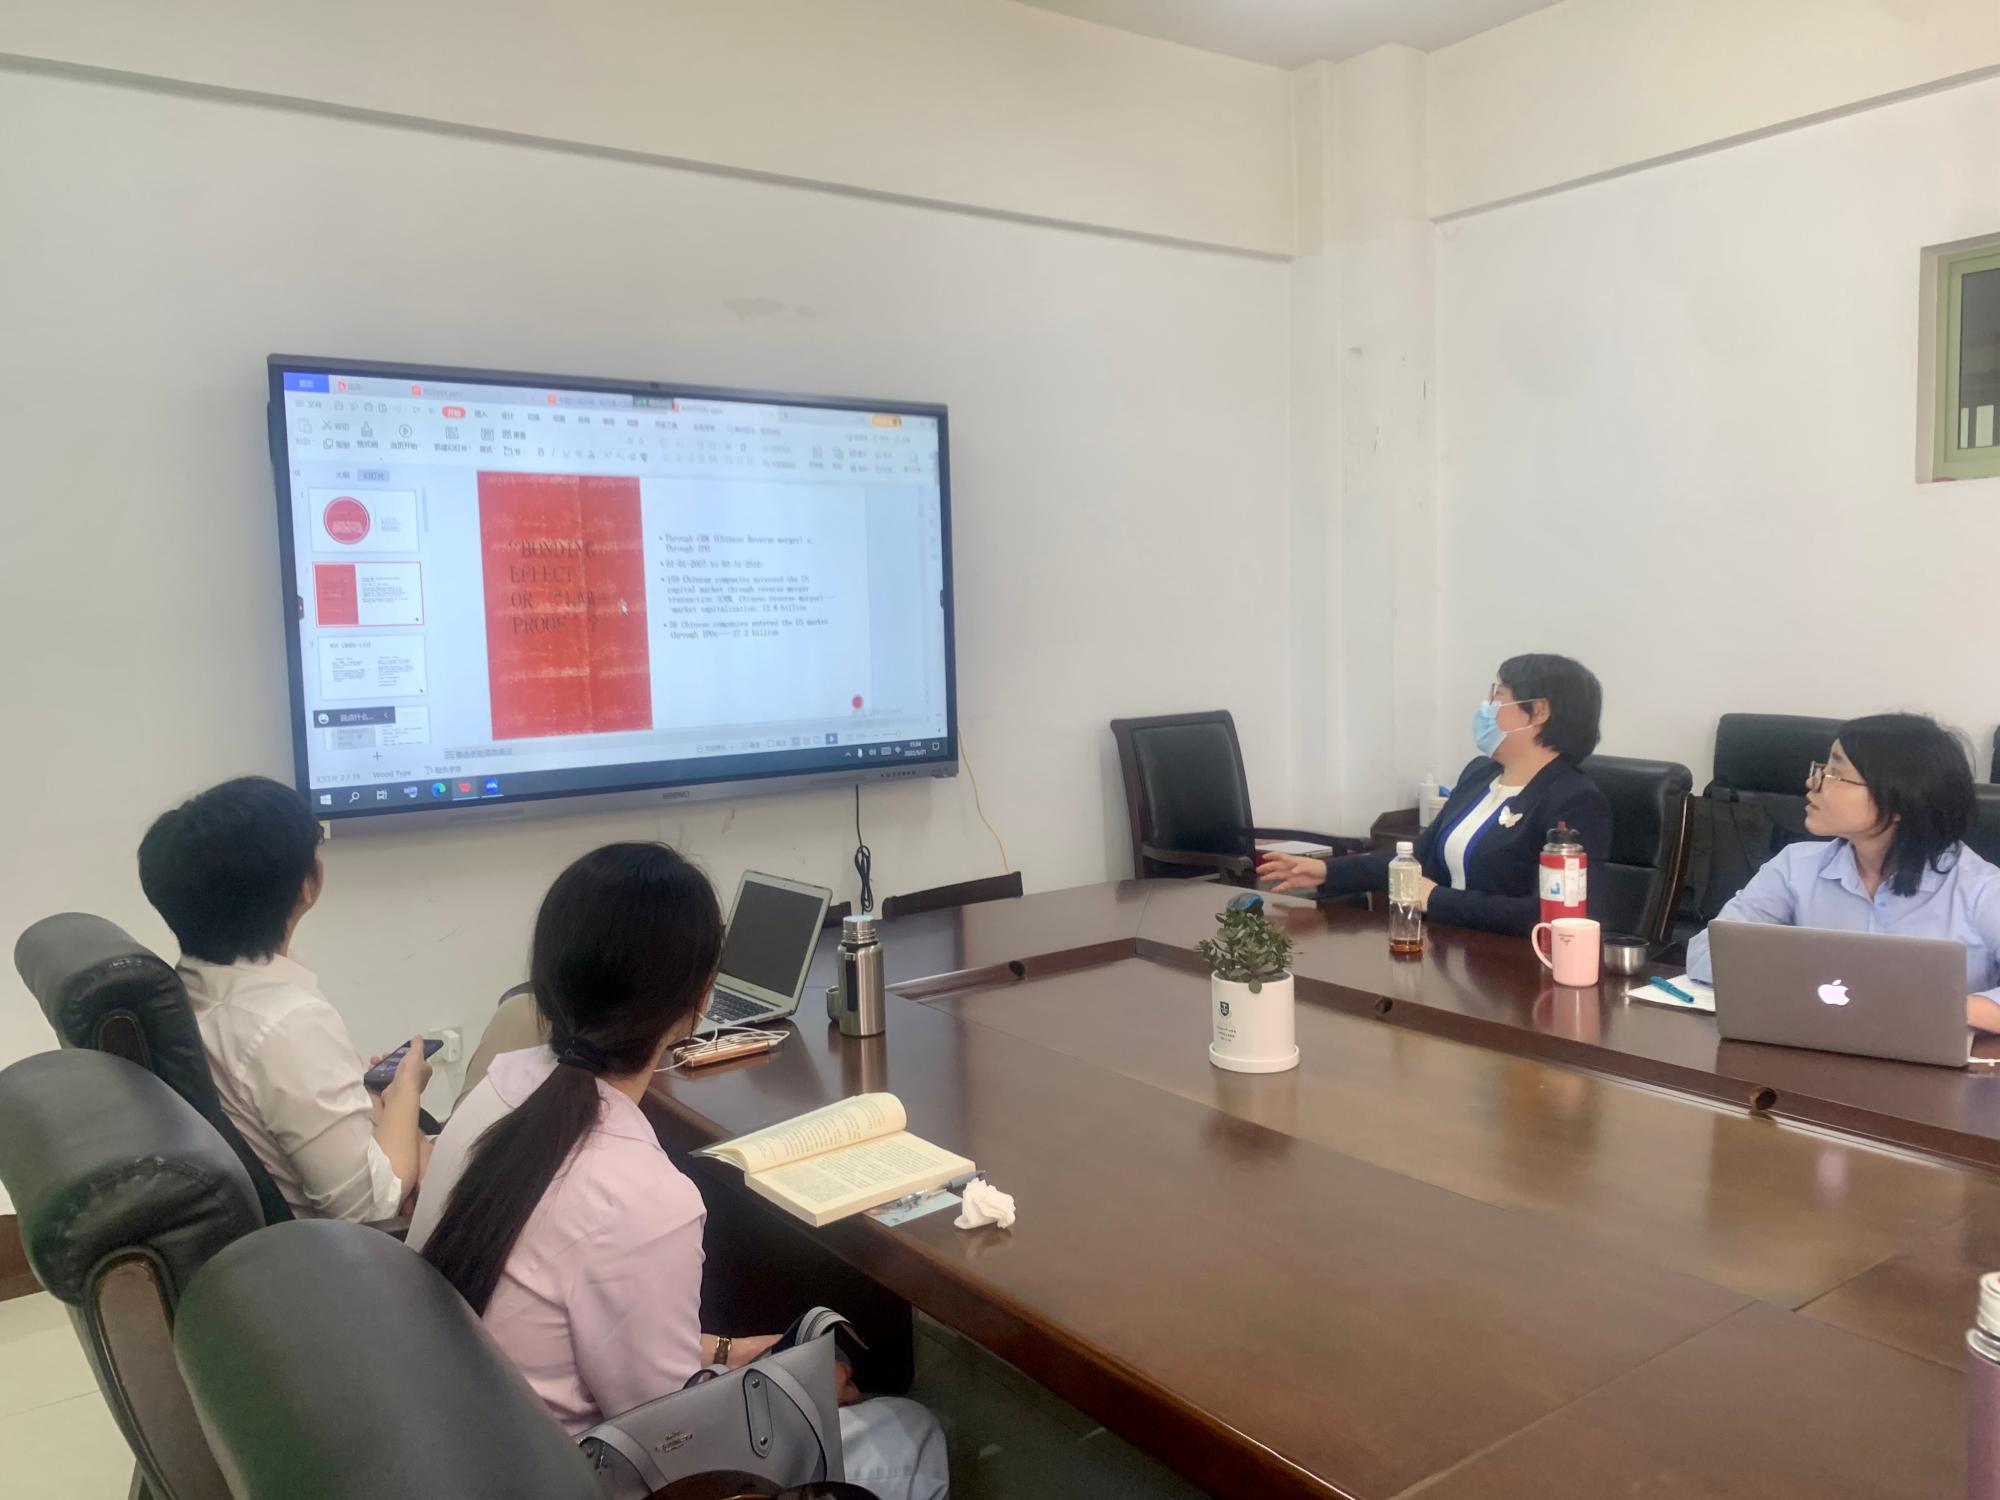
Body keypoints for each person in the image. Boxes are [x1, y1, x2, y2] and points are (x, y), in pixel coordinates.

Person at [409, 843, 948, 1500]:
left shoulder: (495, 1092)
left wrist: (722, 1352)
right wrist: (793, 1400)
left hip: (456, 1447)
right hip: (577, 1476)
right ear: (701, 996)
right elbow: (680, 1457)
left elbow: (584, 1323)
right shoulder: (644, 1198)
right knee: (912, 1430)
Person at [138, 776, 430, 1221]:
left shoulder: (192, 990)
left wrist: (385, 1107)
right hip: (360, 1247)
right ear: (307, 885)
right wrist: (407, 1089)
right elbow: (369, 1204)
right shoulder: (285, 1023)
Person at [1257, 654, 1613, 936]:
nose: (1487, 708)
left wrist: (1434, 898)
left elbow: (1549, 914)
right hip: (1441, 946)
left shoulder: (1574, 801)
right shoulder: (1480, 774)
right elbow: (1419, 858)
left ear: (1539, 712)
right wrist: (1326, 871)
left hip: (1512, 966)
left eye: (1499, 696)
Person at [1685, 714, 2000, 1031]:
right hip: (1812, 1042)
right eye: (1822, 768)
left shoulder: (1982, 889)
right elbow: (1707, 950)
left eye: (1835, 774)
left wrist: (1919, 1007)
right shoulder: (1796, 866)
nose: (1812, 783)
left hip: (1937, 1056)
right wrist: (1802, 984)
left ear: (1899, 801)